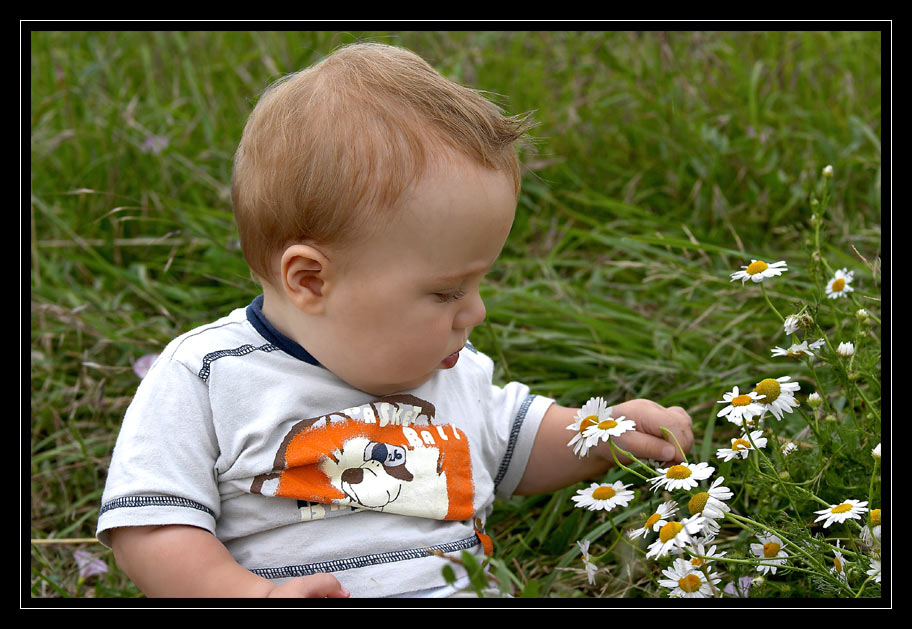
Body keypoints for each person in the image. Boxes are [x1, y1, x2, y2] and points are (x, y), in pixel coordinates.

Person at [96, 42, 693, 599]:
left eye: (476, 284)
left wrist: (603, 435)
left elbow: (521, 444)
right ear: (311, 280)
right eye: (445, 292)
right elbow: (150, 529)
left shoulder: (450, 372)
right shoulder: (207, 376)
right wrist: (256, 596)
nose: (475, 311)